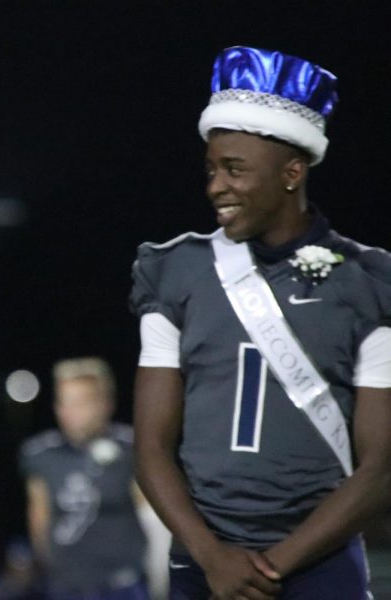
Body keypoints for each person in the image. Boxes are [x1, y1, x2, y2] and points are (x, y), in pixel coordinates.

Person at [130, 46, 391, 600]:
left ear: (293, 172)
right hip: (204, 561)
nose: (215, 187)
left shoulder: (369, 282)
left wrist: (269, 568)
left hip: (319, 563)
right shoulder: (175, 270)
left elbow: (382, 468)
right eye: (210, 169)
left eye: (234, 169)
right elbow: (151, 447)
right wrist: (212, 557)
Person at [20, 357, 150, 600]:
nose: (69, 412)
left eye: (80, 402)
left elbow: (150, 516)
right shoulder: (41, 453)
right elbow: (38, 518)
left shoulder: (130, 447)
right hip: (65, 585)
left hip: (123, 584)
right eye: (63, 402)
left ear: (105, 404)